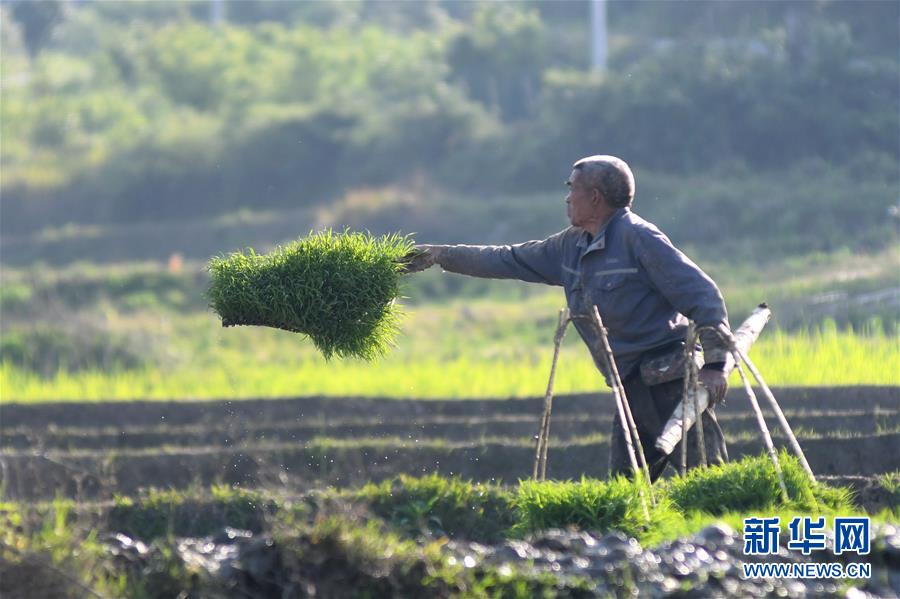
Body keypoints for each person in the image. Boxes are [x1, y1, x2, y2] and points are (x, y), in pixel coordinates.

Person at [404, 155, 731, 482]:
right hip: (627, 386)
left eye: (572, 188)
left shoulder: (639, 239)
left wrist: (716, 365)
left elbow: (701, 294)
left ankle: (738, 531)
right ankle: (632, 534)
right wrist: (439, 255)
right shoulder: (570, 247)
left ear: (594, 198)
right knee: (627, 489)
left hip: (669, 382)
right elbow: (507, 259)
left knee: (710, 481)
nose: (567, 197)